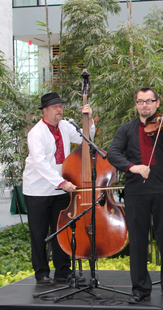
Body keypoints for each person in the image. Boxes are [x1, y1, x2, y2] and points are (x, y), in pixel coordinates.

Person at [107, 87, 163, 303]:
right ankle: (140, 290)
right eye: (140, 101)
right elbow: (113, 153)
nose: (145, 105)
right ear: (136, 104)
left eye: (149, 101)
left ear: (157, 103)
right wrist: (132, 167)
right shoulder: (126, 129)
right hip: (136, 192)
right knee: (137, 242)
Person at [23, 92, 94, 285]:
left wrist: (89, 120)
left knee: (62, 230)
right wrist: (61, 182)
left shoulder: (65, 126)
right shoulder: (36, 133)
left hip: (61, 189)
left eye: (61, 106)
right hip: (38, 191)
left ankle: (63, 272)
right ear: (45, 110)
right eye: (55, 107)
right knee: (39, 233)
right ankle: (42, 273)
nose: (59, 110)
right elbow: (40, 162)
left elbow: (86, 139)